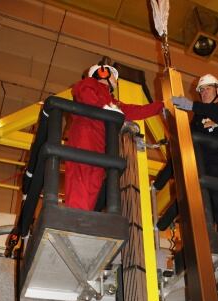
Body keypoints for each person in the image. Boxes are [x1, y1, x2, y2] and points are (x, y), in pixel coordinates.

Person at [65, 63, 164, 210]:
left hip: (100, 144)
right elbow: (84, 93)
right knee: (80, 177)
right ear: (102, 72)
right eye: (113, 76)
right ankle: (73, 217)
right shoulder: (90, 83)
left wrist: (161, 106)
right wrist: (105, 109)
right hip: (84, 136)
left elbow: (135, 110)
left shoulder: (113, 102)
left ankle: (83, 218)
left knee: (94, 181)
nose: (116, 81)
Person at [172, 74, 218, 233]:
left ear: (217, 90)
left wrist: (191, 106)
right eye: (202, 90)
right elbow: (187, 136)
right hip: (200, 167)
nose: (204, 92)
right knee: (200, 207)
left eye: (208, 88)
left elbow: (216, 112)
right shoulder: (198, 116)